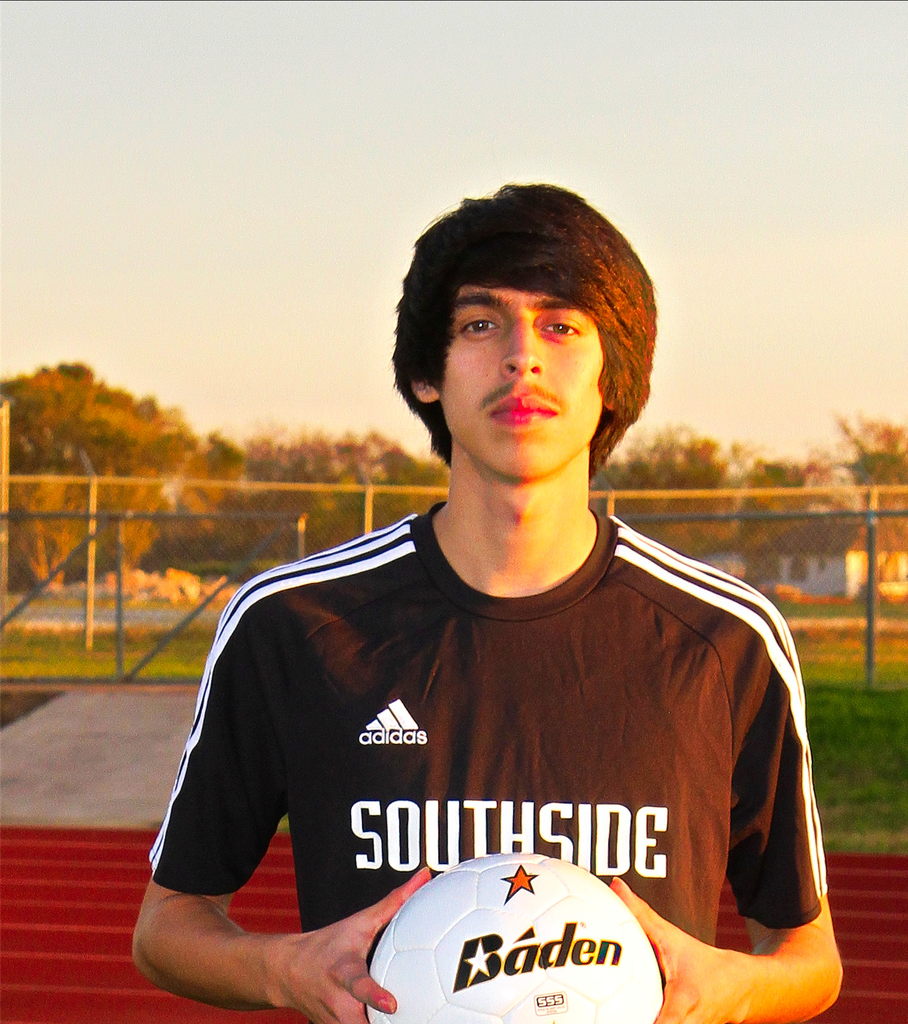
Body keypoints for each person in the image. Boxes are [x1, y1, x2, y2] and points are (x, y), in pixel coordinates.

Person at [134, 183, 842, 1023]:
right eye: (480, 324)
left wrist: (727, 991)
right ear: (426, 374)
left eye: (562, 325)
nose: (521, 358)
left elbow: (808, 956)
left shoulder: (724, 638)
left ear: (615, 375)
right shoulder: (297, 624)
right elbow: (167, 926)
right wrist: (288, 970)